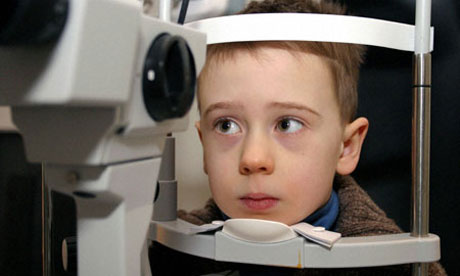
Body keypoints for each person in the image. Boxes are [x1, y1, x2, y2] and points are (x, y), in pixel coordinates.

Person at [150, 0, 446, 275]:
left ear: (346, 147)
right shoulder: (169, 254)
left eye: (287, 124)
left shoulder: (394, 265)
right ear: (204, 146)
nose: (253, 159)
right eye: (226, 125)